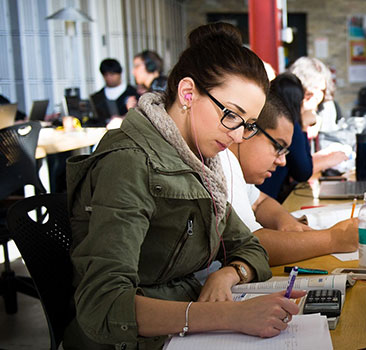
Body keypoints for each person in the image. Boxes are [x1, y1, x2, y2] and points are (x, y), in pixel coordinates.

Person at [65, 23, 305, 349]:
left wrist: (228, 274)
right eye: (231, 115)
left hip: (182, 329)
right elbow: (103, 306)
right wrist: (232, 317)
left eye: (247, 125)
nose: (237, 135)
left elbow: (251, 248)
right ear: (187, 93)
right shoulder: (130, 161)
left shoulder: (202, 163)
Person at [220, 73, 359, 265]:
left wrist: (284, 221)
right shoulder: (224, 161)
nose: (282, 161)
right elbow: (252, 245)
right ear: (248, 129)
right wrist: (334, 239)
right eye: (278, 147)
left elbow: (260, 202)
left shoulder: (235, 169)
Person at [256, 73, 314, 201]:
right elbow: (304, 172)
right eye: (278, 147)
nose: (281, 161)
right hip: (270, 198)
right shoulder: (289, 127)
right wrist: (303, 127)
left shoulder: (262, 118)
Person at [90, 58, 139, 126]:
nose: (109, 78)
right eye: (106, 75)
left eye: (112, 74)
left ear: (119, 73)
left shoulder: (133, 93)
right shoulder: (97, 97)